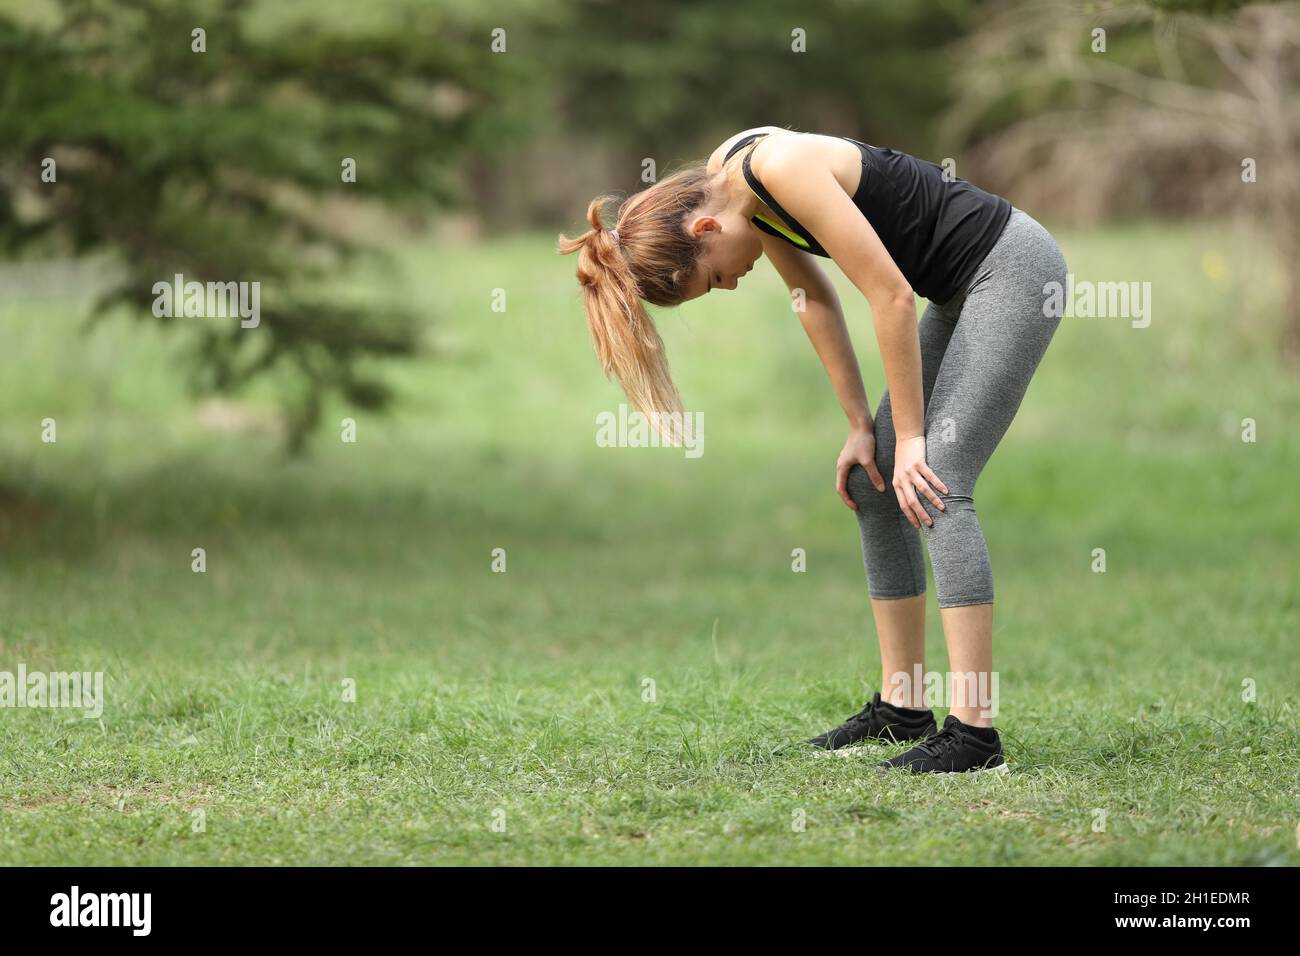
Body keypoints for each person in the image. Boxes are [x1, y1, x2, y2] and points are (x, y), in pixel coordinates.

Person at [558, 126, 1067, 774]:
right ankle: (903, 706)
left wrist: (911, 439)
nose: (733, 286)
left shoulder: (777, 168)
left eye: (712, 280)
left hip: (1012, 270)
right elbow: (814, 298)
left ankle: (974, 733)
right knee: (873, 481)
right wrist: (862, 425)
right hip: (959, 287)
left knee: (935, 478)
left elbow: (890, 295)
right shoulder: (733, 185)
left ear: (707, 230)